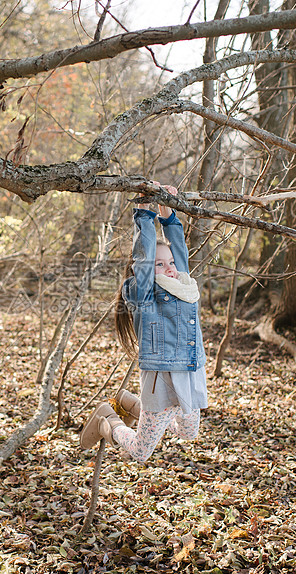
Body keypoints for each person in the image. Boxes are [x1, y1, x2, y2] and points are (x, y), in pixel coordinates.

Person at [80, 184, 207, 461]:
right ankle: (107, 422)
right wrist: (144, 214)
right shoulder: (145, 293)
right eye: (160, 265)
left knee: (188, 432)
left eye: (170, 263)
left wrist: (168, 213)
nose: (170, 268)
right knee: (140, 451)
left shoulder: (183, 285)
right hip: (162, 379)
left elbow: (180, 253)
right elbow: (145, 260)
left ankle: (132, 405)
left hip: (190, 372)